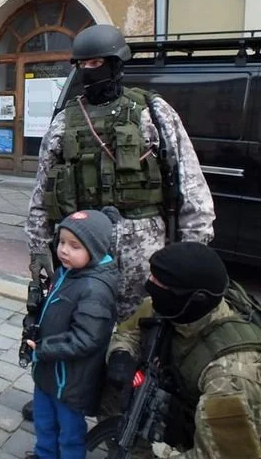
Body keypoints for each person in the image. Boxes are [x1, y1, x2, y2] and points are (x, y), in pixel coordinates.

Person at [22, 23, 215, 420]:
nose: (90, 70)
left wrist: (191, 255)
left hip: (141, 250)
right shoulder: (64, 121)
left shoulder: (153, 113)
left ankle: (130, 406)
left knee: (139, 332)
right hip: (80, 250)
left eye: (98, 62)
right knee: (72, 325)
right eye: (84, 63)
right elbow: (42, 193)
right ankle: (65, 393)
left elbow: (190, 185)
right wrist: (39, 251)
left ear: (115, 64)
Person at [107, 242, 261, 458]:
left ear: (195, 299)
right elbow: (130, 331)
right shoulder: (176, 306)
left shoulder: (229, 377)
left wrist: (164, 453)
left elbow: (224, 455)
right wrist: (121, 355)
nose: (149, 286)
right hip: (182, 409)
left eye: (158, 284)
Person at [23, 209, 119, 459]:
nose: (64, 250)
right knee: (44, 422)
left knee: (70, 433)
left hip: (70, 381)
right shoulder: (69, 271)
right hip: (47, 371)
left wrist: (44, 349)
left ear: (95, 249)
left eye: (74, 246)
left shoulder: (95, 288)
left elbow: (87, 338)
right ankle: (44, 455)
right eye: (62, 242)